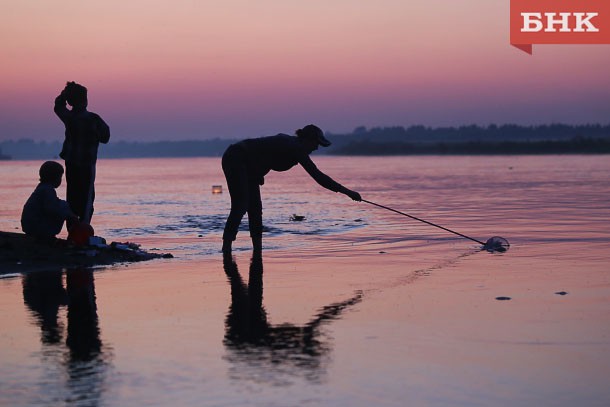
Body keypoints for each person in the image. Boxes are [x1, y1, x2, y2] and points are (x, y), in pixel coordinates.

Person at [221, 124, 361, 254]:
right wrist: (348, 192)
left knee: (256, 209)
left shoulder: (296, 146)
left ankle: (257, 251)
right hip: (235, 157)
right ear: (306, 140)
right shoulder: (296, 147)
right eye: (316, 143)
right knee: (241, 205)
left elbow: (264, 156)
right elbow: (318, 176)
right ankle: (226, 249)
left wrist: (258, 171)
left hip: (249, 167)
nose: (316, 148)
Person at [54, 81, 110, 224]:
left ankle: (73, 229)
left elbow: (58, 106)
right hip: (87, 165)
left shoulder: (70, 117)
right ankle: (84, 227)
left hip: (71, 164)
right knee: (87, 198)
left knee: (72, 197)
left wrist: (63, 95)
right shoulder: (94, 119)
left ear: (70, 101)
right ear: (85, 100)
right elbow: (106, 137)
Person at [21, 161, 79, 240]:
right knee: (63, 206)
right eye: (60, 177)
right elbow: (51, 209)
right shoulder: (47, 190)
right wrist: (68, 215)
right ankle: (48, 234)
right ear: (55, 178)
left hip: (29, 226)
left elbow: (52, 203)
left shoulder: (42, 188)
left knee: (61, 204)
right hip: (36, 227)